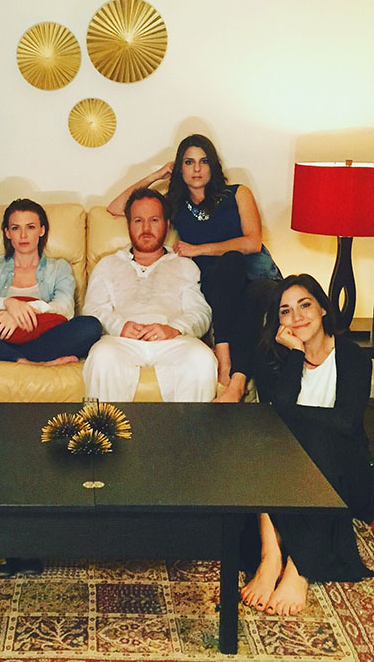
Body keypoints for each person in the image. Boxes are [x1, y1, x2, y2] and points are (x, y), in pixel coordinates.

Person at [107, 134, 280, 403]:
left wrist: (199, 249)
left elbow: (252, 242)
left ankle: (232, 378)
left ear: (213, 165)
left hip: (253, 277)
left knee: (243, 279)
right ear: (180, 168)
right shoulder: (174, 205)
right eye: (188, 162)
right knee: (230, 276)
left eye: (203, 161)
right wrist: (157, 175)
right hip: (214, 285)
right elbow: (117, 207)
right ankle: (230, 371)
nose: (197, 169)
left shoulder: (238, 194)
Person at [242, 274, 374, 616]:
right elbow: (277, 415)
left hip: (345, 472)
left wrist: (288, 417)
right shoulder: (274, 357)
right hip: (287, 468)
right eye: (285, 311)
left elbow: (345, 423)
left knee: (307, 434)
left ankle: (298, 568)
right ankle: (271, 554)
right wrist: (296, 355)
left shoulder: (353, 357)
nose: (297, 317)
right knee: (264, 438)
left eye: (305, 305)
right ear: (278, 321)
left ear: (322, 309)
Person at [83, 188, 217, 402]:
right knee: (101, 357)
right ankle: (105, 425)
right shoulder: (107, 264)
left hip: (172, 340)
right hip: (121, 341)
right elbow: (92, 310)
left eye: (154, 220)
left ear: (166, 224)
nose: (146, 229)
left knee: (202, 359)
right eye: (138, 221)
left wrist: (174, 329)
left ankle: (189, 426)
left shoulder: (185, 266)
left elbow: (200, 312)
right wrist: (120, 327)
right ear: (129, 225)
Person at [0, 198, 101, 364]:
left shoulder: (59, 267)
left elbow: (65, 309)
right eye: (15, 228)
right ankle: (27, 359)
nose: (23, 235)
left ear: (42, 230)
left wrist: (23, 313)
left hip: (42, 339)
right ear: (7, 233)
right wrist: (9, 304)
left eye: (30, 227)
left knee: (90, 326)